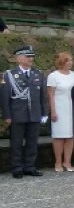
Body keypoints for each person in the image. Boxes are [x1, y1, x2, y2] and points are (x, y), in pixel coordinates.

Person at [1, 45, 48, 177]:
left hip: (34, 114)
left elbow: (42, 96)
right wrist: (7, 115)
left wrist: (44, 113)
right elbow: (5, 98)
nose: (31, 59)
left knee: (32, 142)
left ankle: (29, 166)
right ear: (19, 59)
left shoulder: (37, 74)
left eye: (32, 57)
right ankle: (17, 168)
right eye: (28, 57)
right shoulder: (9, 75)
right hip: (17, 115)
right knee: (16, 143)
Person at [47, 52, 74, 172]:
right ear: (61, 62)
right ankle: (58, 162)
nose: (70, 62)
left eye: (71, 60)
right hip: (59, 108)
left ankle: (67, 162)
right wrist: (53, 111)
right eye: (67, 60)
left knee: (70, 137)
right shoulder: (53, 76)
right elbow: (51, 95)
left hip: (72, 108)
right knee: (59, 137)